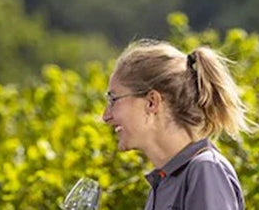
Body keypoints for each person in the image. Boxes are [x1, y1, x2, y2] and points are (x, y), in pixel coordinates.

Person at [101, 39, 250, 209]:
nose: (106, 116)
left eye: (113, 100)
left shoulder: (205, 170)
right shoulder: (164, 182)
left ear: (152, 102)